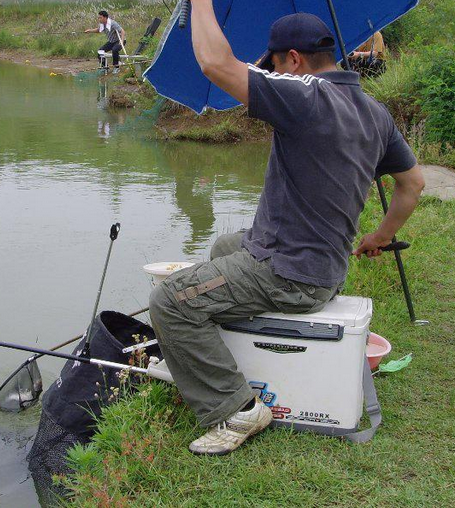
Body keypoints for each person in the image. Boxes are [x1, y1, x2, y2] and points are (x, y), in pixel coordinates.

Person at [149, 2, 424, 456]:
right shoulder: (375, 112)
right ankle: (214, 355)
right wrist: (379, 235)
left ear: (292, 60)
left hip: (288, 273)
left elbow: (216, 63)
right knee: (224, 245)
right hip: (327, 268)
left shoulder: (303, 95)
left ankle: (236, 409)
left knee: (171, 301)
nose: (270, 75)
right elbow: (412, 184)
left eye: (272, 65)